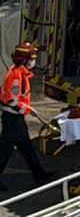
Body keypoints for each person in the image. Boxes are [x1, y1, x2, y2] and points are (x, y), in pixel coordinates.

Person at [0, 43, 52, 188]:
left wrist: (26, 109)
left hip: (15, 118)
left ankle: (39, 175)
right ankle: (39, 175)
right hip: (12, 118)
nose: (33, 61)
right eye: (31, 58)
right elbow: (11, 100)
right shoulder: (17, 76)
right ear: (23, 60)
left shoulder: (19, 72)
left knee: (26, 147)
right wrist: (28, 110)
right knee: (5, 150)